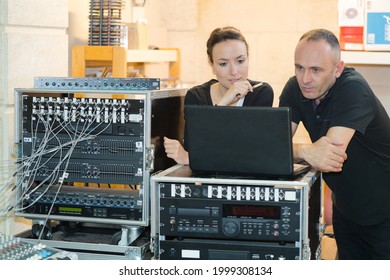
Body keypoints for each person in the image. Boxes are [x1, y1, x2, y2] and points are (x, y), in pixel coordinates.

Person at [279, 28, 390, 260]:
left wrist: (298, 151)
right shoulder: (295, 88)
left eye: (316, 70)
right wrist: (304, 150)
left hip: (384, 214)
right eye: (299, 67)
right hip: (347, 211)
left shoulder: (353, 89)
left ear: (338, 69)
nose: (305, 78)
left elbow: (328, 156)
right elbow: (272, 145)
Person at [164, 26, 274, 165]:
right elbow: (196, 148)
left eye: (240, 61)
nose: (234, 71)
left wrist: (189, 158)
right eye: (223, 64)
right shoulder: (196, 96)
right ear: (212, 65)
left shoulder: (260, 92)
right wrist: (224, 102)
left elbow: (251, 151)